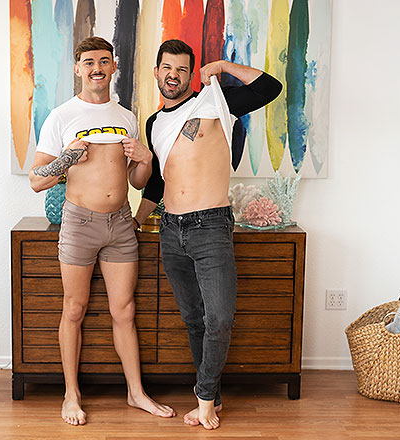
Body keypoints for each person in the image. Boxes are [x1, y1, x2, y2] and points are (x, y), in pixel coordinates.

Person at [133, 39, 282, 430]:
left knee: (219, 318)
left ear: (190, 74)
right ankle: (211, 398)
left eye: (182, 69)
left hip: (210, 226)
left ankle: (203, 398)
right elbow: (157, 183)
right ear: (156, 72)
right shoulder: (153, 124)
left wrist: (223, 66)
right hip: (170, 229)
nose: (174, 76)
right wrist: (136, 221)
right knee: (194, 320)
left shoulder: (215, 102)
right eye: (167, 68)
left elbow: (270, 88)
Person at [29, 36, 175, 426]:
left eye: (104, 61)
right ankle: (71, 394)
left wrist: (145, 160)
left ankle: (136, 393)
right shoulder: (61, 117)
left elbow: (138, 181)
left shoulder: (126, 117)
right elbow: (36, 180)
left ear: (114, 67)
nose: (98, 68)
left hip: (121, 224)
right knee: (74, 309)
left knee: (124, 310)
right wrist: (66, 158)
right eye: (90, 61)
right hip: (80, 224)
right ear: (78, 68)